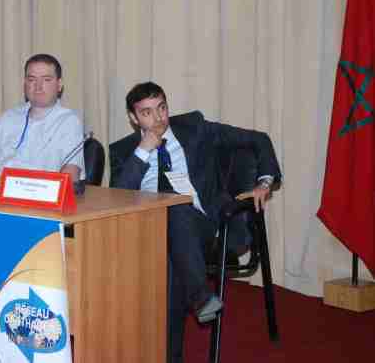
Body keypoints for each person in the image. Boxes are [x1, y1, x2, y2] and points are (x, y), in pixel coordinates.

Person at [109, 81, 281, 363]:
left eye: (162, 108)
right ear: (133, 118)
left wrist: (264, 182)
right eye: (147, 113)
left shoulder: (194, 128)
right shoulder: (124, 151)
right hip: (147, 232)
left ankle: (197, 304)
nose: (158, 118)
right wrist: (143, 151)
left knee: (175, 206)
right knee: (172, 250)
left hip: (202, 224)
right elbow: (117, 199)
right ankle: (199, 299)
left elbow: (257, 139)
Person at [0, 54, 85, 181]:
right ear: (25, 84)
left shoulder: (69, 121)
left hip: (37, 190)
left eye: (46, 80)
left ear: (59, 85)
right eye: (32, 80)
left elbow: (71, 175)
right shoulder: (9, 117)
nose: (38, 86)